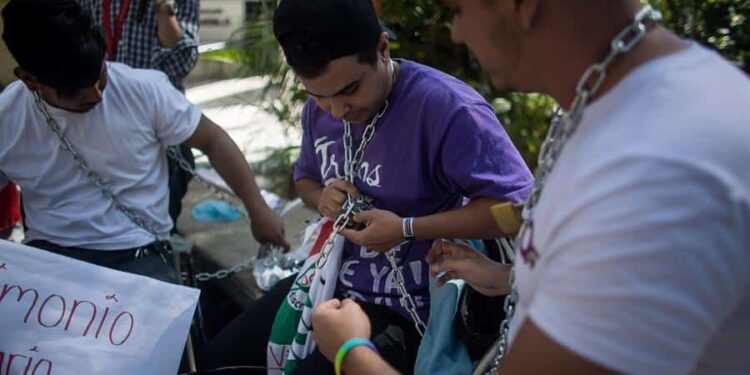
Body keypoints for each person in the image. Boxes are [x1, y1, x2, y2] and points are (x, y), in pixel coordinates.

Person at [312, 0, 750, 374]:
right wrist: (511, 278)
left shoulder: (651, 174)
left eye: (459, 9)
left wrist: (352, 352)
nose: (459, 32)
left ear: (521, 4)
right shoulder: (633, 105)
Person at [198, 0, 533, 373]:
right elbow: (306, 181)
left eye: (350, 89)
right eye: (318, 96)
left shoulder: (448, 110)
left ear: (382, 48)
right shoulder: (321, 111)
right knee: (218, 359)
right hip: (326, 283)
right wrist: (324, 199)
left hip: (410, 308)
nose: (338, 111)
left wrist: (408, 228)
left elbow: (520, 211)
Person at [0, 0, 288, 281]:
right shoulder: (7, 115)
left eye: (100, 77)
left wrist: (258, 210)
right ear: (28, 79)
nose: (96, 96)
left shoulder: (143, 89)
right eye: (74, 90)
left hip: (139, 253)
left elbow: (213, 140)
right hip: (52, 259)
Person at [78, 0, 200, 226]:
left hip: (155, 132)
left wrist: (163, 7)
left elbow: (182, 63)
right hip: (94, 126)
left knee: (156, 226)